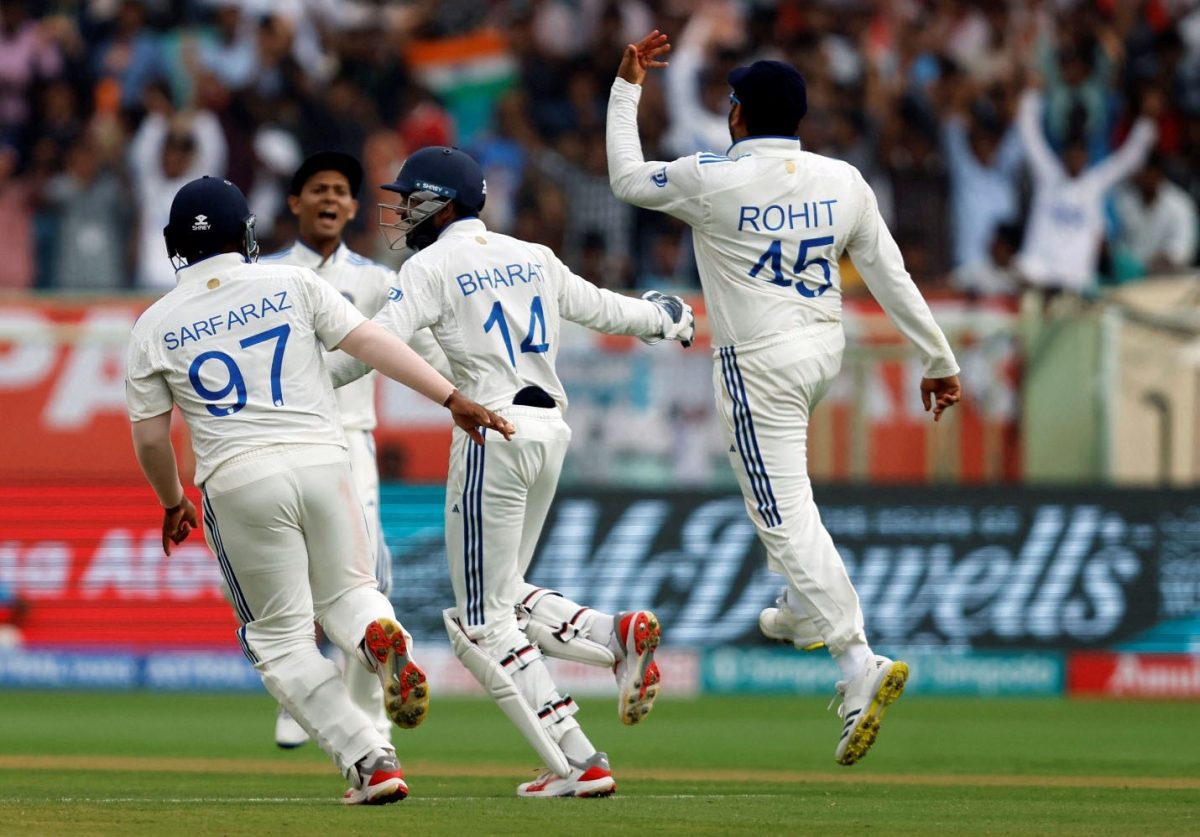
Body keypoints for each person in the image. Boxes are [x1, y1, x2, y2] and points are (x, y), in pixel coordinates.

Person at [606, 33, 962, 766]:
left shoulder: (711, 176)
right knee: (782, 499)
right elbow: (891, 275)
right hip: (822, 352)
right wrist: (938, 358)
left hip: (758, 363)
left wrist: (626, 86)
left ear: (737, 115)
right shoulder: (844, 179)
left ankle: (857, 659)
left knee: (780, 509)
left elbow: (624, 179)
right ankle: (803, 607)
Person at [125, 175, 513, 804]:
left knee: (279, 640)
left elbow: (149, 440)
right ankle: (378, 641)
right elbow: (374, 344)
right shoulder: (293, 282)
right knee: (352, 596)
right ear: (245, 232)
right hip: (325, 462)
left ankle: (369, 760)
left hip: (240, 478)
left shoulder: (155, 323)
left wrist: (172, 501)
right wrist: (451, 396)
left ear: (175, 243)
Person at [327, 146, 693, 797]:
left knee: (479, 622)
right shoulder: (533, 255)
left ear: (441, 203)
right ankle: (615, 635)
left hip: (489, 429)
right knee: (506, 596)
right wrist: (665, 318)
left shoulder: (430, 264)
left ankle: (579, 758)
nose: (403, 211)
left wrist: (301, 382)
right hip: (550, 431)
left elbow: (375, 344)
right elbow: (606, 308)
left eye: (412, 200)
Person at [259, 150, 443, 751]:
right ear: (295, 202)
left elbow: (424, 354)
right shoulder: (267, 277)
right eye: (318, 189)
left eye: (341, 190)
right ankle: (307, 698)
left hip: (350, 439)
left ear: (355, 206)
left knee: (367, 575)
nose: (331, 199)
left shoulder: (378, 282)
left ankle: (370, 720)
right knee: (291, 573)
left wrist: (462, 391)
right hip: (281, 439)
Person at [1014, 84, 1159, 294]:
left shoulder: (1095, 184)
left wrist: (1147, 120)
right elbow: (1029, 135)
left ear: (1087, 158)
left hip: (1075, 283)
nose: (1075, 160)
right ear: (1063, 156)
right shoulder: (1048, 175)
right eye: (1070, 155)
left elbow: (1129, 158)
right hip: (1039, 277)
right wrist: (1032, 95)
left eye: (1079, 155)